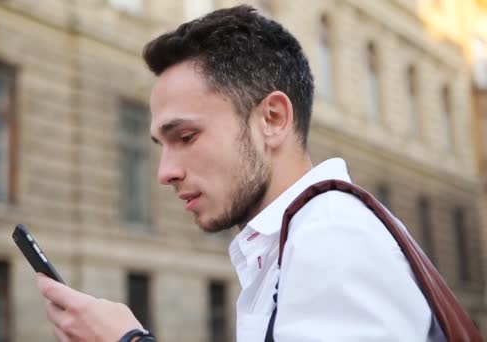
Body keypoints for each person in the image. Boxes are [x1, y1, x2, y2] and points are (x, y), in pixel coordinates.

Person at [36, 5, 445, 341]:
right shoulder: (292, 242)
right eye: (162, 145)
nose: (165, 173)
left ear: (272, 118)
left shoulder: (332, 239)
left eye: (187, 136)